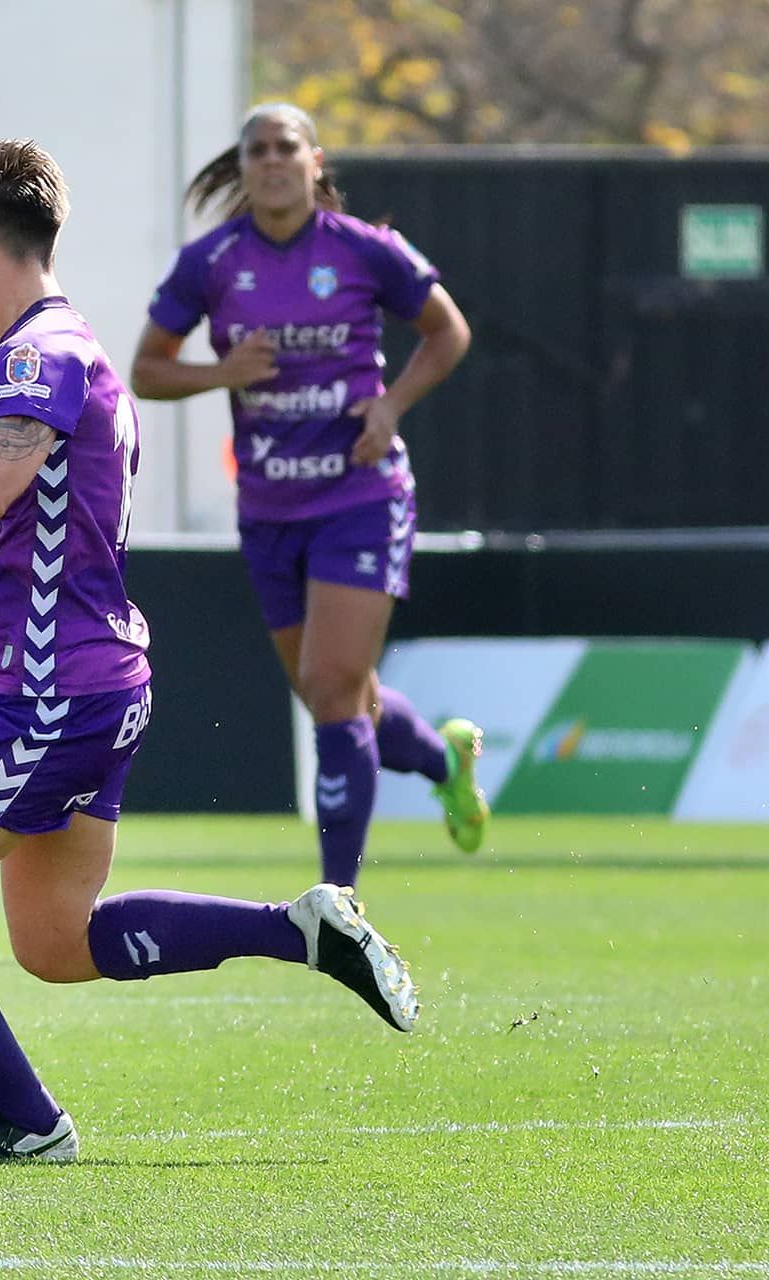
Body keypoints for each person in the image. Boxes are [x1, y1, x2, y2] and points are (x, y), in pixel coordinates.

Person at [0, 139, 417, 1164]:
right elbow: (54, 544)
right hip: (98, 683)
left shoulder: (34, 357)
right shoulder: (77, 353)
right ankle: (301, 928)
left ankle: (29, 1119)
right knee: (57, 941)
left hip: (51, 698)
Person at [130, 102, 488, 887]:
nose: (271, 160)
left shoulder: (365, 250)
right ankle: (443, 759)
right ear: (245, 166)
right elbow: (146, 371)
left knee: (331, 690)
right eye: (256, 149)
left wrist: (391, 405)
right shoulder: (212, 262)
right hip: (268, 509)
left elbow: (448, 331)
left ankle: (340, 903)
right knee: (339, 696)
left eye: (285, 146)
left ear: (315, 161)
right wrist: (220, 374)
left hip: (360, 494)